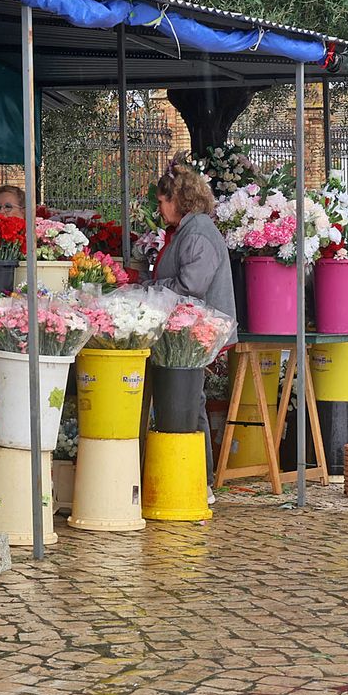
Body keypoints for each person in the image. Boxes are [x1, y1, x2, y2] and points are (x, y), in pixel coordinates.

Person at [148, 160, 236, 497]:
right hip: (188, 330)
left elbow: (191, 285)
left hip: (197, 331)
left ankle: (200, 482)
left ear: (179, 199)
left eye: (162, 201)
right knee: (186, 400)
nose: (159, 209)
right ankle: (194, 479)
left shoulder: (197, 232)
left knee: (189, 402)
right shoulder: (188, 229)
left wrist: (152, 288)